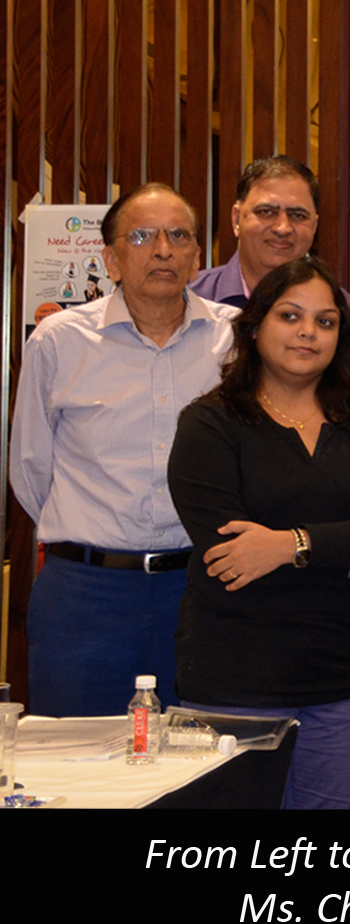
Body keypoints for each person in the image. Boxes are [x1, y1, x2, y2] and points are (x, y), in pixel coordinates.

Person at [167, 257, 350, 808]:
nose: (308, 332)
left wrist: (288, 546)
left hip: (349, 681)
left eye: (325, 322)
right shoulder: (209, 425)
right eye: (290, 316)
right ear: (255, 327)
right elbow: (230, 557)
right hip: (236, 679)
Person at [10, 185, 236, 716]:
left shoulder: (235, 340)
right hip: (85, 593)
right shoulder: (58, 341)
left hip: (200, 587)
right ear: (110, 260)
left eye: (178, 236)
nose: (163, 250)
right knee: (74, 752)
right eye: (142, 237)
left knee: (201, 751)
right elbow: (31, 469)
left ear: (197, 257)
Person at [190, 156, 350, 378]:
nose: (282, 228)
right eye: (266, 212)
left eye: (297, 215)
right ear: (236, 218)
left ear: (314, 225)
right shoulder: (190, 302)